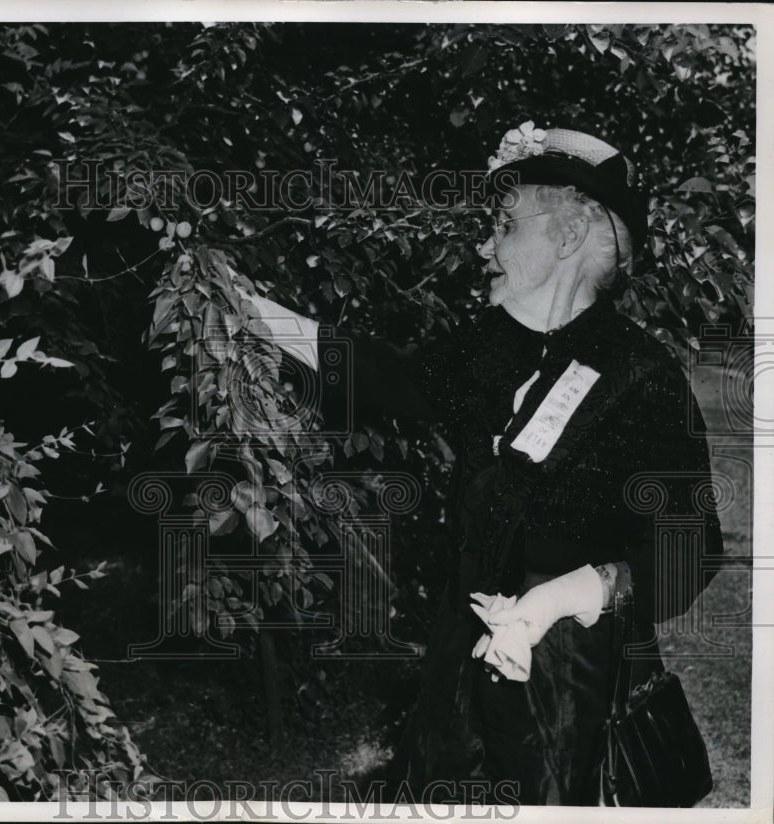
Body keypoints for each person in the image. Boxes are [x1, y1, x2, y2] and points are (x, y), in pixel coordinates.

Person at [235, 122, 724, 805]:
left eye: (503, 225)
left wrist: (554, 600)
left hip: (567, 698)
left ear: (566, 238)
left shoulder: (642, 375)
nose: (483, 246)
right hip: (457, 677)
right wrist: (249, 310)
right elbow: (383, 377)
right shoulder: (488, 347)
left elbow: (688, 552)